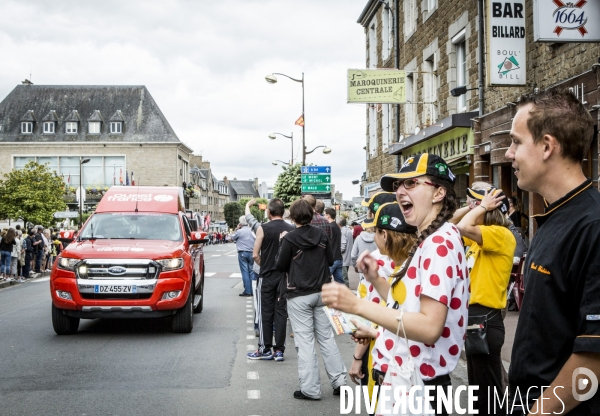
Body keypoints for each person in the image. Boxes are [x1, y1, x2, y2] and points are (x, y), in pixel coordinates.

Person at [322, 153, 469, 415]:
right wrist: (376, 279)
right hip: (408, 380)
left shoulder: (438, 244)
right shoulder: (431, 239)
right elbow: (409, 306)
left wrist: (357, 305)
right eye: (398, 185)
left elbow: (428, 327)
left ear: (438, 193)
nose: (400, 190)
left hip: (421, 385)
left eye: (411, 183)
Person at [505, 89, 600, 415]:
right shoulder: (552, 218)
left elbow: (593, 356)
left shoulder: (593, 226)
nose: (508, 153)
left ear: (547, 146)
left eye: (516, 142)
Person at [451, 183, 516, 415]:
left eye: (476, 205)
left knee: (488, 395)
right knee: (481, 391)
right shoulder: (480, 238)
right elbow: (450, 224)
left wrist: (481, 206)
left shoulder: (500, 235)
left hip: (486, 319)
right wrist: (473, 205)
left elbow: (462, 225)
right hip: (476, 318)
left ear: (489, 210)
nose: (471, 209)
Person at [275, 198, 347, 400]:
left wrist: (283, 241)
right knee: (326, 338)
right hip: (321, 291)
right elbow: (331, 260)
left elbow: (280, 265)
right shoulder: (322, 234)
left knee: (305, 341)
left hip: (298, 294)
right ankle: (339, 382)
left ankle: (311, 389)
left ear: (293, 216)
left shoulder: (289, 238)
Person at [247, 198, 294, 361]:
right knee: (281, 313)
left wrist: (265, 263)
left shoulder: (263, 228)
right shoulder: (291, 228)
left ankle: (265, 348)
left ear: (269, 212)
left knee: (265, 313)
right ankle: (279, 350)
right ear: (283, 212)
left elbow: (255, 254)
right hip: (283, 277)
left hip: (266, 276)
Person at [231, 216, 256, 297]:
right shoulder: (253, 231)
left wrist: (236, 229)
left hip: (242, 253)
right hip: (252, 252)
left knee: (245, 271)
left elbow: (231, 238)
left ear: (240, 223)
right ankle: (252, 290)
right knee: (251, 271)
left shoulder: (239, 231)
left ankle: (247, 291)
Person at [324, 208, 343, 284]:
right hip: (338, 258)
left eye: (325, 214)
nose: (324, 216)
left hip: (331, 259)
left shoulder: (329, 227)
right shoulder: (337, 227)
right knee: (340, 282)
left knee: (325, 281)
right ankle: (343, 295)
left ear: (328, 216)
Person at [339, 217, 354, 287]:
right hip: (348, 256)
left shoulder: (343, 231)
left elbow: (343, 245)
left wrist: (339, 252)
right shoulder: (348, 230)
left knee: (343, 275)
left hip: (344, 257)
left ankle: (346, 289)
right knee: (344, 274)